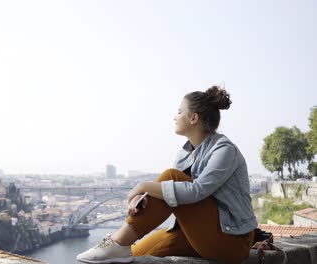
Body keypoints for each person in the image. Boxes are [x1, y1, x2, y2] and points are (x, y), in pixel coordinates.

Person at [76, 86, 258, 264]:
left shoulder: (225, 150)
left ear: (193, 118)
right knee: (136, 253)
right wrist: (142, 198)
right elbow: (167, 193)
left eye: (179, 112)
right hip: (194, 233)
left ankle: (117, 242)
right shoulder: (184, 154)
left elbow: (197, 191)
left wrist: (142, 186)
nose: (174, 116)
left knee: (172, 176)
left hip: (232, 240)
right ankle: (119, 247)